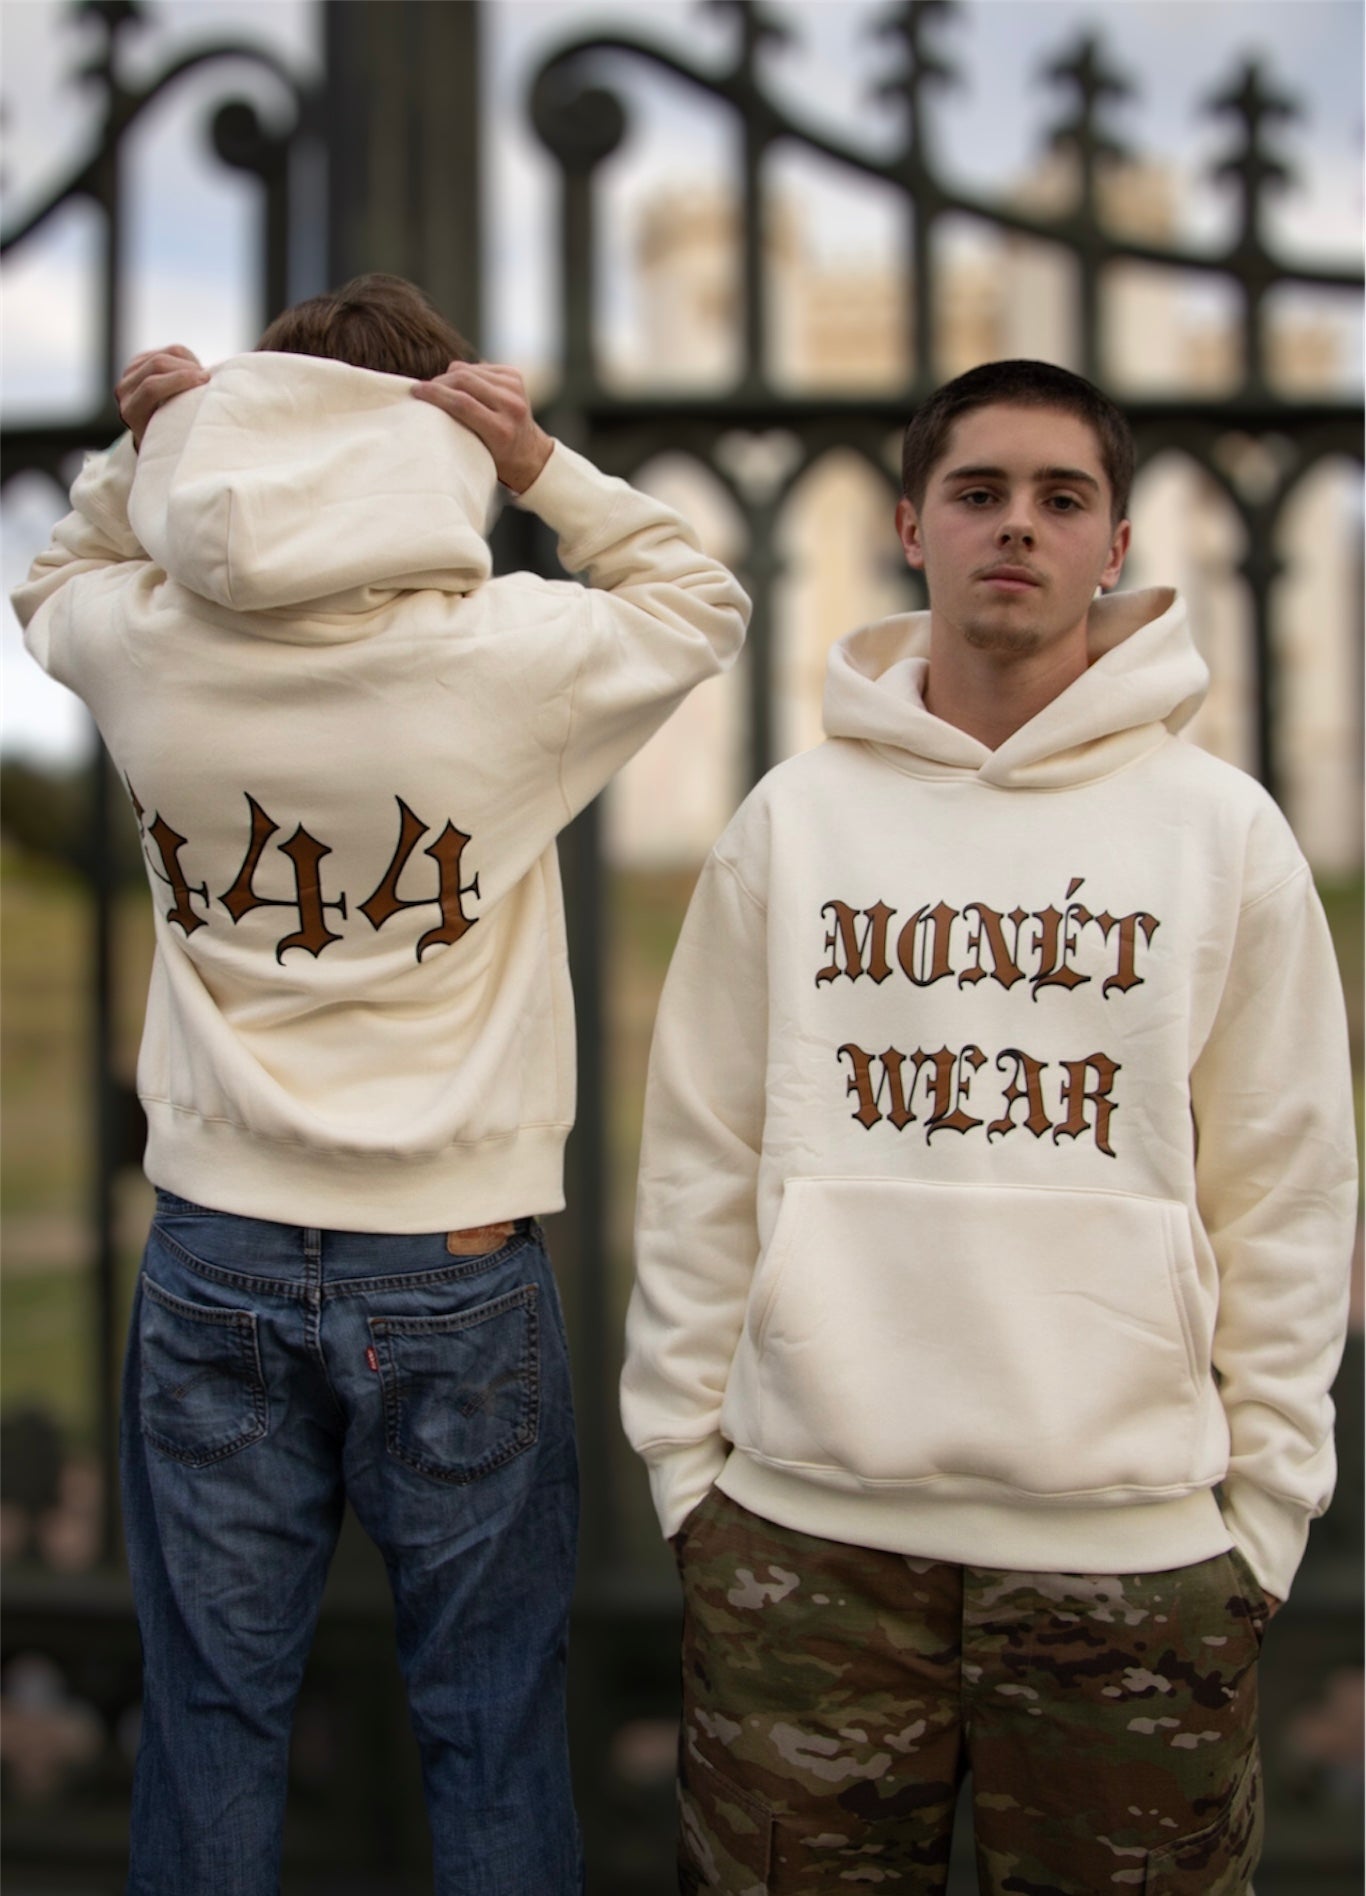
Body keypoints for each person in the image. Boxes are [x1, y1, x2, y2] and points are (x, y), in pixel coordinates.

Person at [13, 272, 749, 1896]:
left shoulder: (148, 645)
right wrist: (543, 465)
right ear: (441, 444)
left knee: (211, 1722)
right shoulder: (507, 655)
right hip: (454, 1260)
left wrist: (147, 450)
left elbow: (53, 576)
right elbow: (698, 599)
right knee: (489, 1725)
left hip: (213, 1247)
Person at [621, 358, 1357, 1894]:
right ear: (909, 527)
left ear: (1115, 543)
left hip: (1134, 1558)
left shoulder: (1220, 832)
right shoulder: (793, 820)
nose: (1015, 524)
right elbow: (699, 1156)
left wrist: (1263, 1511)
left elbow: (1283, 1185)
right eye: (977, 492)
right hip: (805, 1551)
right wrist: (691, 1478)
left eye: (1059, 496)